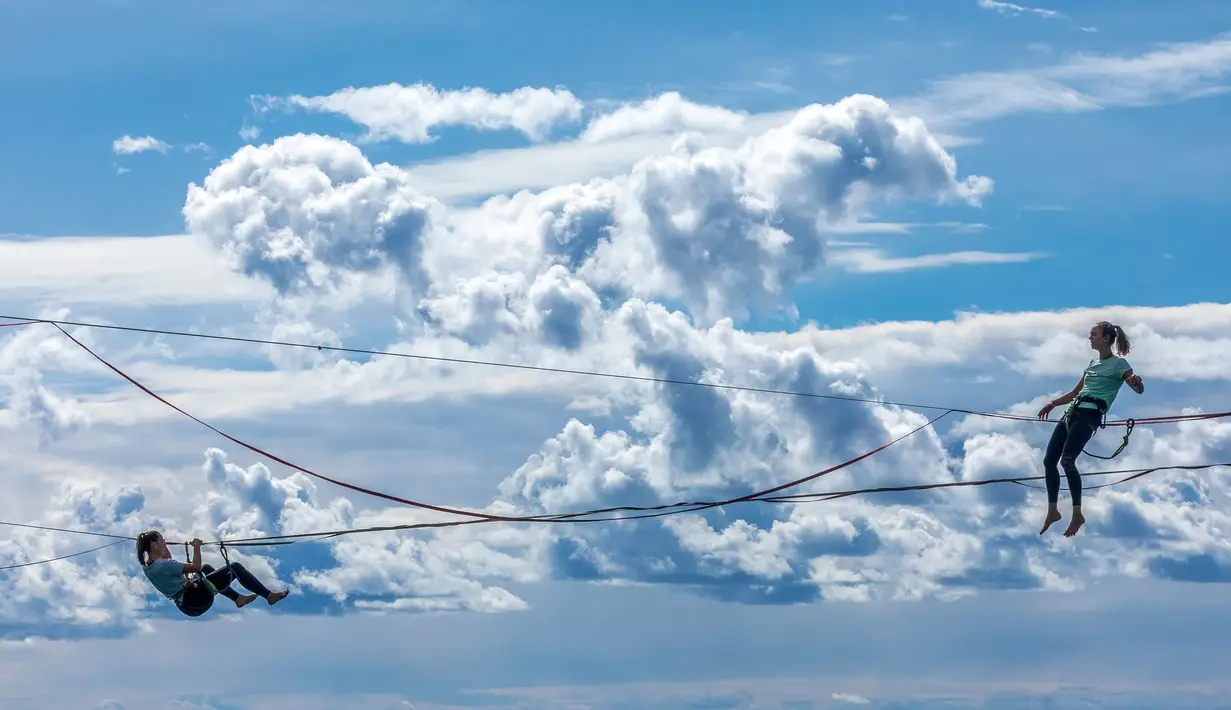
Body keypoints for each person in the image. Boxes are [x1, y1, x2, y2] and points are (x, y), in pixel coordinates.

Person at [1036, 321, 1144, 537]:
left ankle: (1077, 514)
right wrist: (1053, 404)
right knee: (1049, 461)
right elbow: (1075, 392)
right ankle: (1053, 510)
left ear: (1105, 338)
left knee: (1067, 460)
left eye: (1093, 334)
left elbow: (1137, 388)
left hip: (1090, 415)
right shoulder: (1092, 363)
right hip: (1072, 413)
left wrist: (1136, 382)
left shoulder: (1119, 364)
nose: (1090, 338)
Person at [136, 529, 289, 617]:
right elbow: (195, 567)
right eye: (162, 541)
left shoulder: (148, 566)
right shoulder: (164, 566)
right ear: (155, 544)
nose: (164, 543)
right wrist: (196, 547)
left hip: (186, 605)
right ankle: (269, 596)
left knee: (207, 569)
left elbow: (167, 557)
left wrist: (159, 544)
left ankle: (238, 598)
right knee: (234, 567)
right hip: (196, 599)